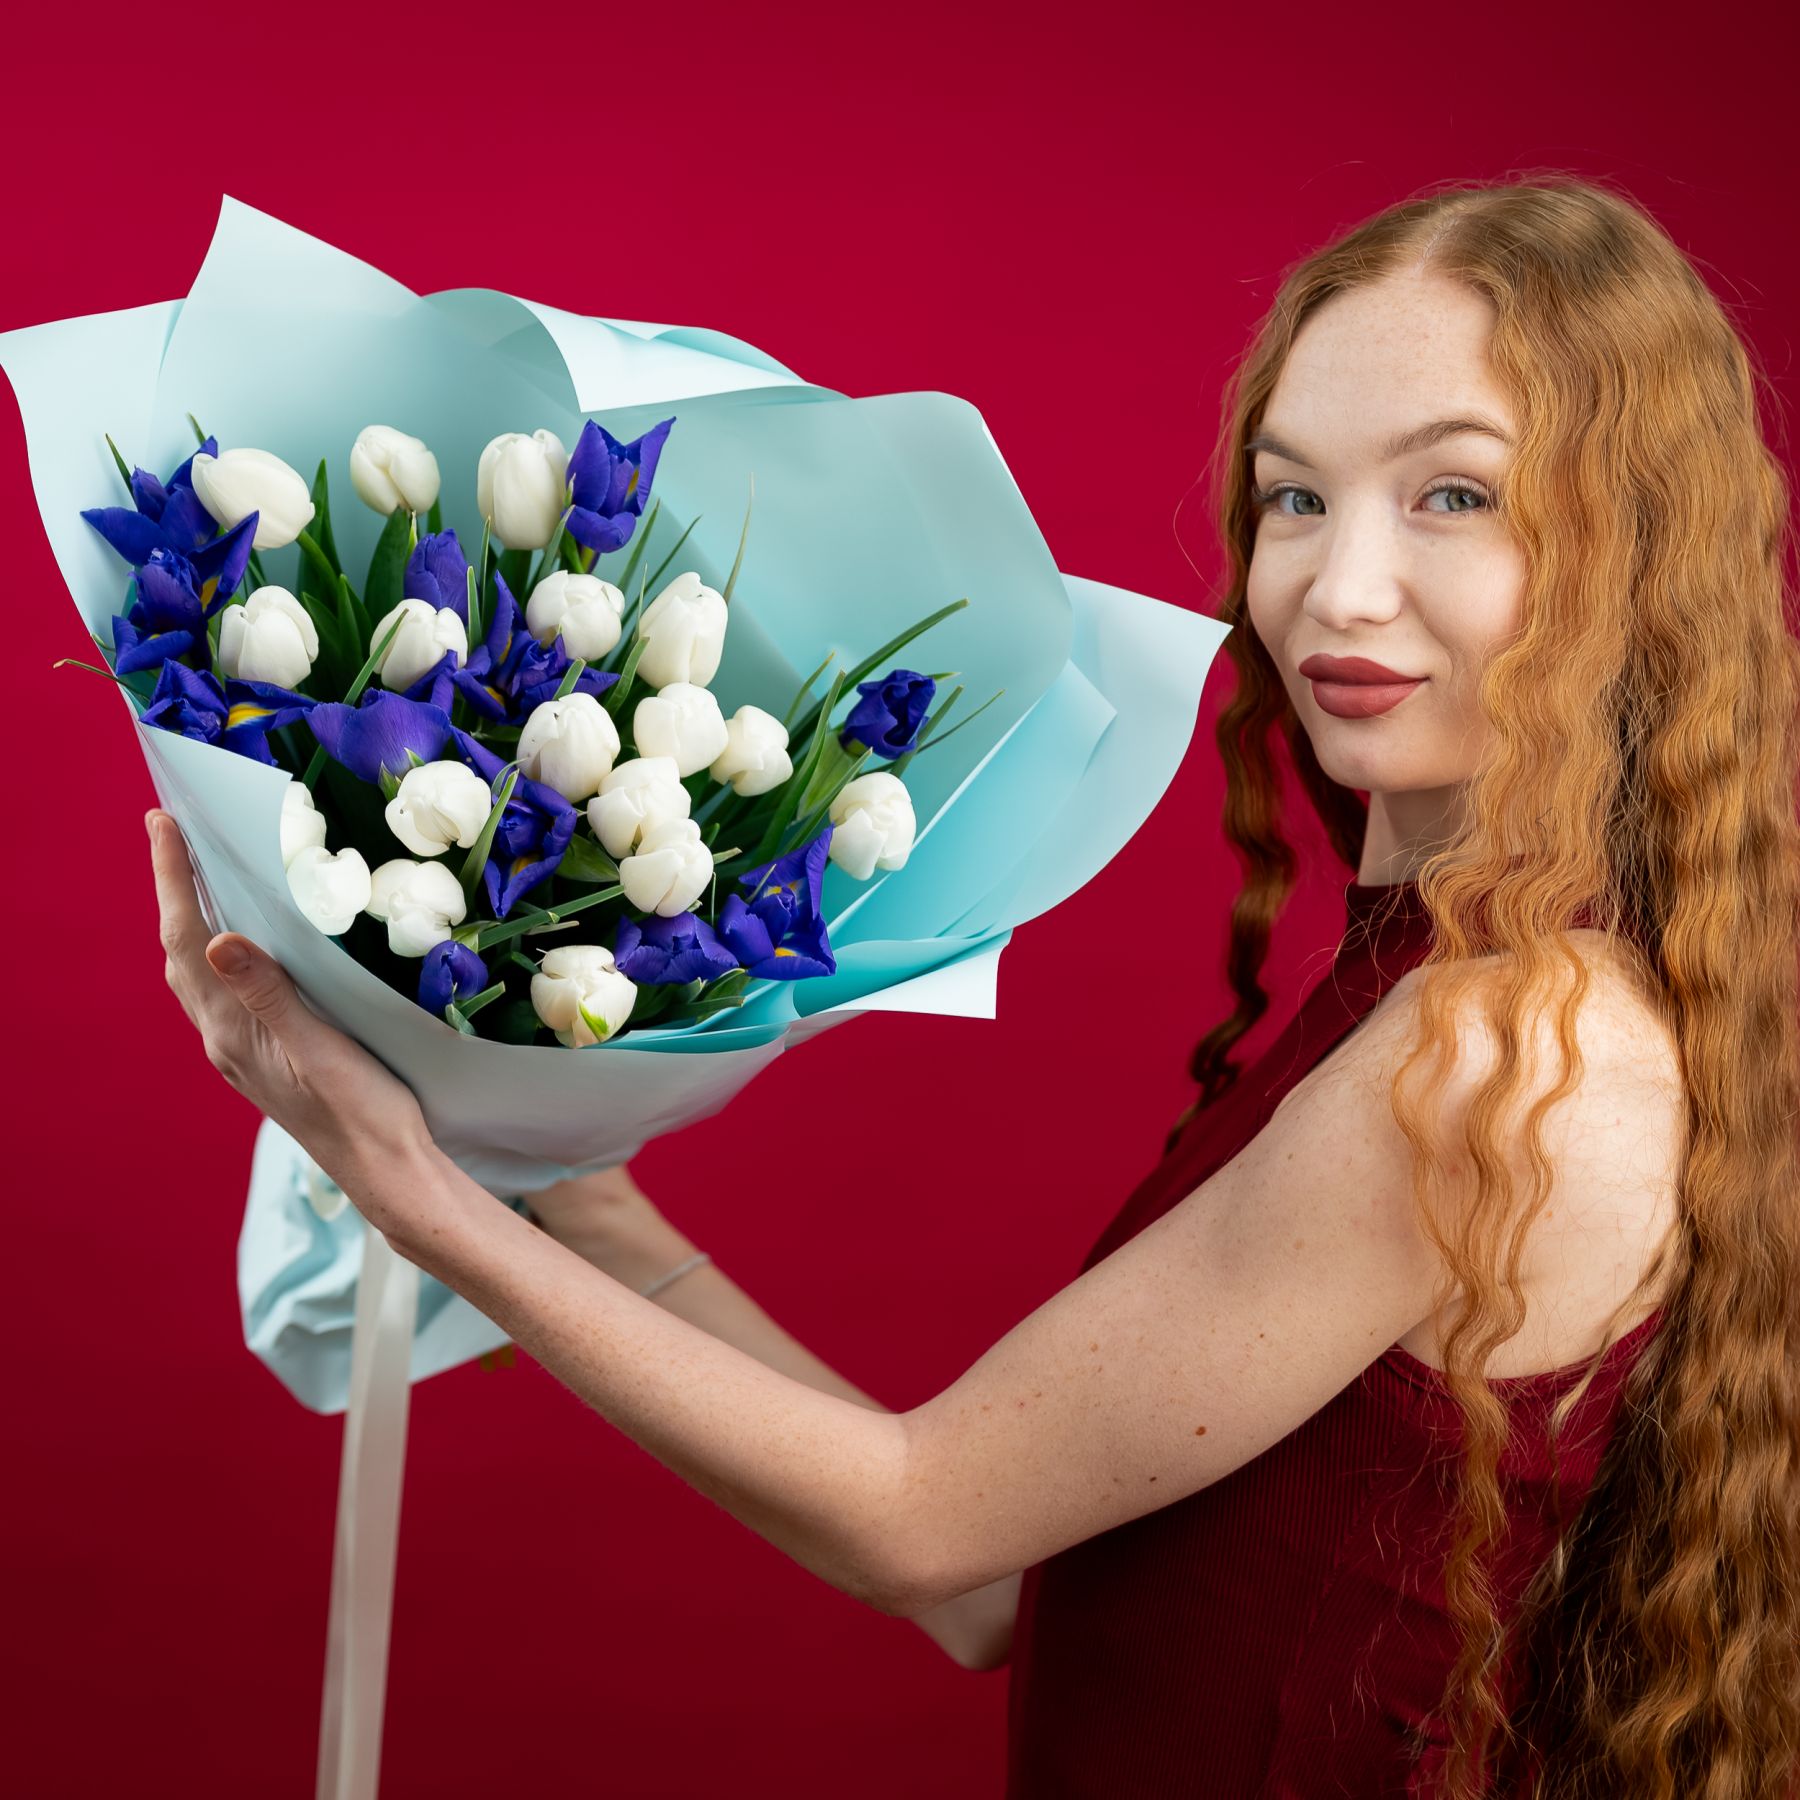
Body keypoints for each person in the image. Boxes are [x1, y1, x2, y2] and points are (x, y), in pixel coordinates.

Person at [143, 171, 1800, 1798]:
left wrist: (409, 1188)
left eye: (1454, 495)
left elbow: (919, 1515)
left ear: (1634, 552)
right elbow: (989, 1586)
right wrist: (569, 1197)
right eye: (1295, 497)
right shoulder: (1421, 991)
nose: (1337, 588)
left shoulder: (1508, 1047)